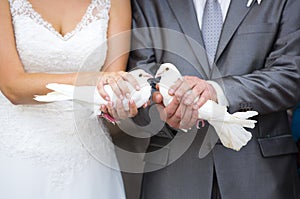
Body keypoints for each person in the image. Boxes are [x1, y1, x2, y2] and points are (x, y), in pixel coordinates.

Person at [128, 0, 300, 198]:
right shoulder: (151, 3)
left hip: (259, 174)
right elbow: (138, 81)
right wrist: (162, 109)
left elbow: (291, 75)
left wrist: (218, 92)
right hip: (174, 176)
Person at [0, 0, 139, 198]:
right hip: (19, 155)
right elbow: (12, 87)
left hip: (89, 158)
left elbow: (111, 84)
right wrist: (86, 79)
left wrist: (120, 104)